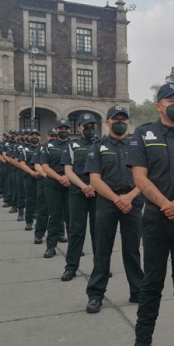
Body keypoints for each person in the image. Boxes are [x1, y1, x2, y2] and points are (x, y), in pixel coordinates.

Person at [123, 83, 174, 346]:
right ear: (158, 105)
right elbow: (140, 178)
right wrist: (167, 204)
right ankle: (142, 344)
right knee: (152, 283)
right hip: (155, 218)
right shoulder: (143, 134)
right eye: (171, 100)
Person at [83, 106, 144, 314]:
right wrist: (117, 199)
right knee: (102, 250)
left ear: (128, 122)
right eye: (116, 118)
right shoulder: (98, 147)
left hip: (133, 201)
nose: (120, 122)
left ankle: (138, 290)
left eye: (124, 119)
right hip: (108, 202)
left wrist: (129, 197)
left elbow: (145, 177)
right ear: (107, 122)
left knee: (132, 249)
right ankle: (96, 295)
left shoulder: (138, 146)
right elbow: (94, 179)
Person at [60, 114, 99, 281]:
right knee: (76, 230)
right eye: (86, 126)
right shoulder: (72, 145)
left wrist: (94, 186)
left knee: (99, 232)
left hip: (98, 190)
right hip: (78, 190)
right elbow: (68, 171)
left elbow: (105, 169)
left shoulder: (101, 144)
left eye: (92, 125)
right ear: (79, 128)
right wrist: (84, 187)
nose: (90, 128)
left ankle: (100, 267)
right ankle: (71, 267)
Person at [40, 119, 73, 258]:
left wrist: (68, 177)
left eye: (66, 128)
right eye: (61, 128)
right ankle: (51, 247)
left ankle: (74, 248)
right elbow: (45, 166)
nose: (63, 131)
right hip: (53, 184)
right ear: (56, 130)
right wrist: (60, 178)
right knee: (54, 217)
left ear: (70, 130)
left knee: (72, 218)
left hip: (71, 185)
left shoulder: (74, 146)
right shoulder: (48, 146)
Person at [32, 129, 56, 244]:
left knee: (60, 212)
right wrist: (49, 176)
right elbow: (37, 166)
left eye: (55, 135)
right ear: (47, 136)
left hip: (61, 182)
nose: (53, 137)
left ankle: (60, 233)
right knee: (43, 209)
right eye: (51, 135)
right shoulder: (42, 148)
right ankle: (39, 234)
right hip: (45, 181)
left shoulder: (65, 147)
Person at [16, 130, 42, 232]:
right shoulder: (25, 149)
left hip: (41, 176)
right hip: (29, 176)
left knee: (41, 200)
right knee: (30, 200)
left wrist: (39, 173)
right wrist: (32, 172)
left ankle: (40, 222)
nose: (34, 137)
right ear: (29, 137)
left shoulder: (43, 148)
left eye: (37, 135)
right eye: (32, 135)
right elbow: (22, 163)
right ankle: (29, 222)